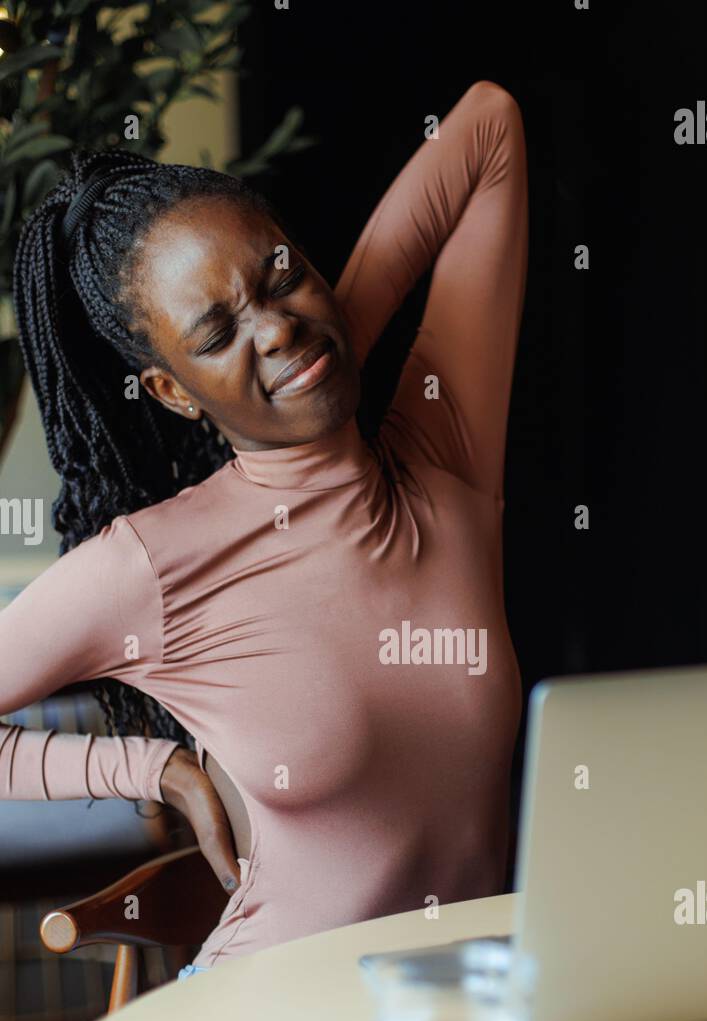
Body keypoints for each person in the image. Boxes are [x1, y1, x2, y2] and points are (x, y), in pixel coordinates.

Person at [1, 81, 528, 970]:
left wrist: (318, 341)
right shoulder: (152, 565)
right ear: (170, 392)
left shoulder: (444, 453)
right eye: (214, 335)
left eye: (282, 272)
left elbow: (488, 130)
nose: (274, 327)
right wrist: (146, 768)